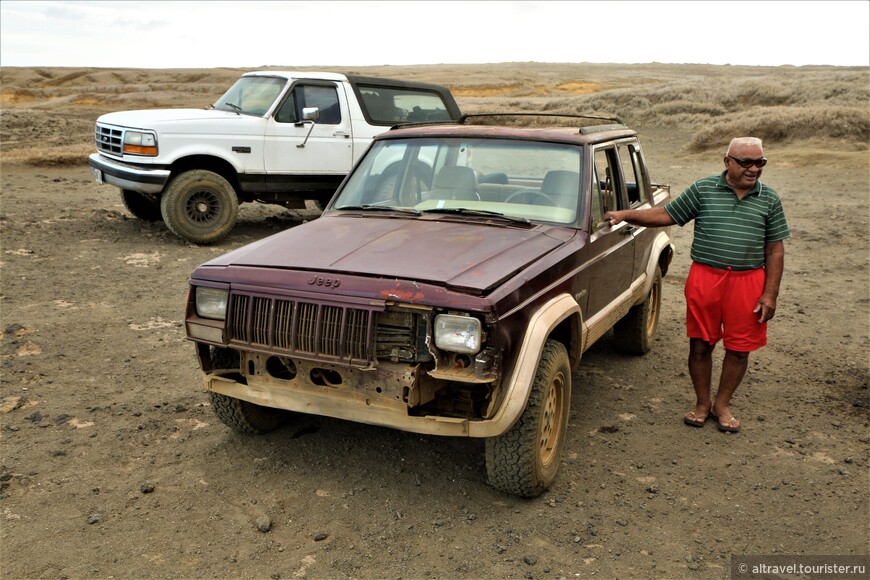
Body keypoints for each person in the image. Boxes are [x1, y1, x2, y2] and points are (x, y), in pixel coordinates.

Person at [605, 137, 790, 433]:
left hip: (748, 282)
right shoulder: (703, 189)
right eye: (746, 162)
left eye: (760, 163)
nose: (754, 169)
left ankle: (722, 404)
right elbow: (666, 215)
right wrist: (626, 215)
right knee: (701, 344)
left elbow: (775, 250)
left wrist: (770, 294)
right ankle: (702, 403)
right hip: (706, 278)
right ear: (727, 161)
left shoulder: (769, 199)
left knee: (740, 348)